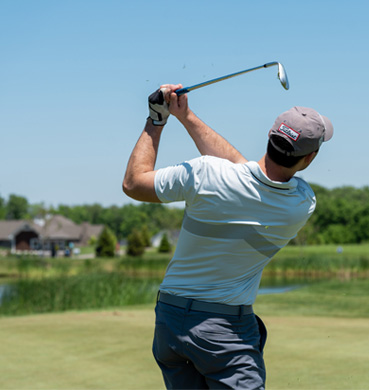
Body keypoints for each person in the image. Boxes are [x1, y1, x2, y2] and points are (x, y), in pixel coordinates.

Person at [123, 84, 333, 389]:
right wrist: (187, 117)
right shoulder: (301, 203)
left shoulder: (205, 173)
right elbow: (243, 171)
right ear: (309, 158)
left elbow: (133, 183)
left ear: (269, 138)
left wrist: (158, 119)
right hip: (223, 332)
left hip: (169, 322)